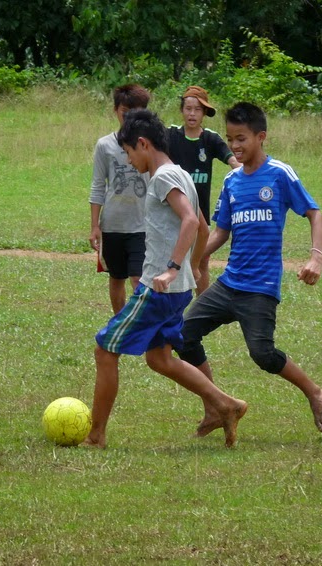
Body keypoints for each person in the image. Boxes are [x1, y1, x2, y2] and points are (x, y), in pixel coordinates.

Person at [83, 109, 248, 449]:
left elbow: (190, 221)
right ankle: (226, 405)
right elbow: (202, 225)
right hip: (177, 289)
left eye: (130, 153)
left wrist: (174, 266)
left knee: (104, 349)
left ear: (143, 144)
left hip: (159, 286)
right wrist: (196, 266)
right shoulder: (180, 173)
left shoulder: (161, 178)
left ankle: (96, 437)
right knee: (159, 358)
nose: (129, 162)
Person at [176, 102, 322, 438]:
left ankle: (313, 391)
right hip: (229, 283)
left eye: (242, 139)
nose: (235, 146)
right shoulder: (232, 181)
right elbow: (221, 231)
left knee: (262, 354)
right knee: (183, 335)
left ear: (261, 137)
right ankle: (217, 405)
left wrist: (315, 257)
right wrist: (191, 261)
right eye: (231, 139)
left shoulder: (279, 174)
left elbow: (314, 213)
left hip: (260, 288)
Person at [167, 86, 240, 294]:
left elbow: (233, 161)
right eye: (188, 108)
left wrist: (249, 174)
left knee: (202, 261)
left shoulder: (210, 138)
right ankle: (173, 306)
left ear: (204, 113)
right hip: (174, 211)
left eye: (197, 110)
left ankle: (200, 307)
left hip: (201, 212)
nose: (192, 114)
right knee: (173, 258)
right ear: (182, 110)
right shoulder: (170, 135)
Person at [89, 84, 151, 314]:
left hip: (143, 224)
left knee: (138, 278)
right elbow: (97, 185)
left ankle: (139, 326)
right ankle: (120, 325)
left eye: (136, 112)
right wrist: (95, 226)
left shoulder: (150, 144)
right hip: (113, 224)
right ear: (116, 111)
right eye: (125, 112)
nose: (130, 118)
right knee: (116, 278)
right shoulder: (105, 145)